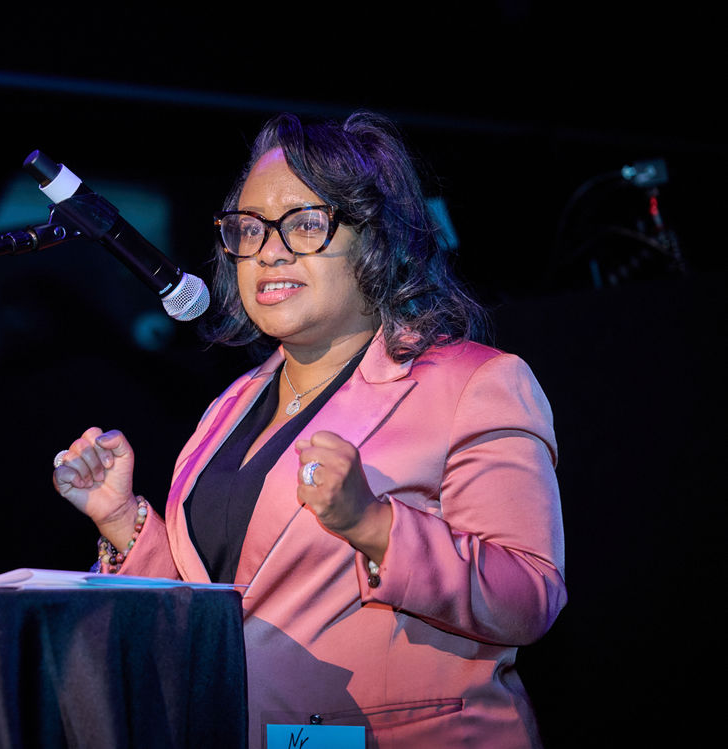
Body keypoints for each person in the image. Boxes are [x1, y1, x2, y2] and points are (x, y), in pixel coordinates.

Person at [52, 111, 566, 748]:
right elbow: (220, 611)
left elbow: (529, 598)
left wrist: (376, 527)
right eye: (248, 229)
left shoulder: (473, 384)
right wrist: (122, 521)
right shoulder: (231, 406)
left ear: (377, 240)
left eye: (303, 224)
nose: (268, 250)